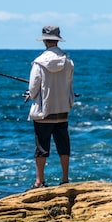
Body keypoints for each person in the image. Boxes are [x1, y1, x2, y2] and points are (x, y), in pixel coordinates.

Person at [24, 25, 74, 189]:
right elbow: (68, 85)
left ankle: (40, 181)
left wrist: (29, 95)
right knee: (63, 145)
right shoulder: (68, 61)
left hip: (44, 112)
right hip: (61, 110)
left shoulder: (38, 63)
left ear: (45, 40)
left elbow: (33, 88)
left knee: (41, 146)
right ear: (57, 40)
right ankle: (65, 179)